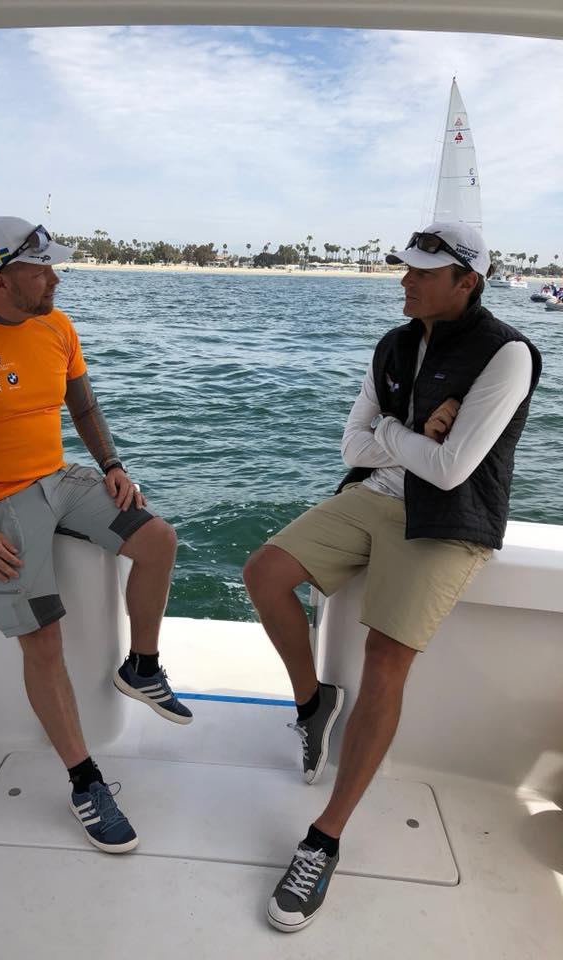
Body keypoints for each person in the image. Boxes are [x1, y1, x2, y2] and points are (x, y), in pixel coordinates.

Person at [243, 221, 541, 933]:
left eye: (422, 272)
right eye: (404, 268)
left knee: (385, 660)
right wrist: (416, 433)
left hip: (448, 520)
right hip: (373, 497)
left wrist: (397, 438)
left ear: (466, 283)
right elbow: (353, 441)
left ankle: (326, 838)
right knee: (264, 573)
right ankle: (314, 703)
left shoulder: (507, 356)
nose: (404, 280)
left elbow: (450, 470)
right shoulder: (395, 345)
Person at [0, 216, 191, 855]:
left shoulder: (57, 326)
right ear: (1, 278)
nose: (56, 278)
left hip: (60, 479)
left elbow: (83, 406)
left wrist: (114, 466)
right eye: (42, 269)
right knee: (43, 639)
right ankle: (85, 780)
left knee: (157, 540)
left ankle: (142, 666)